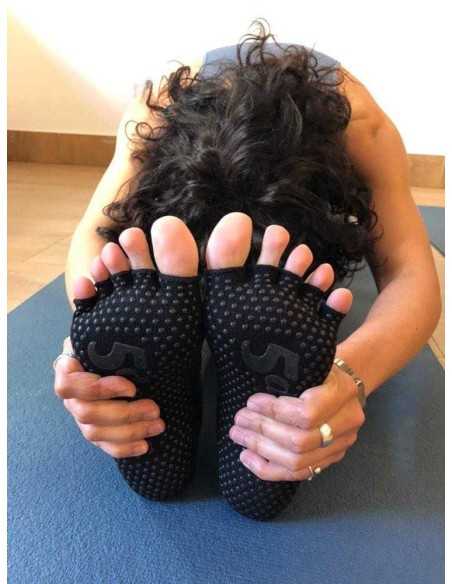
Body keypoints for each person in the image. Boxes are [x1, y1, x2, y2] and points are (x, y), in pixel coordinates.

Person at [54, 22, 441, 487]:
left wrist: (350, 376)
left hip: (313, 181)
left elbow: (409, 269)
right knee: (139, 273)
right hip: (177, 161)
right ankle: (188, 294)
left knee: (255, 291)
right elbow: (95, 238)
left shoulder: (363, 130)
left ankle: (252, 294)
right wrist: (87, 344)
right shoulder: (149, 119)